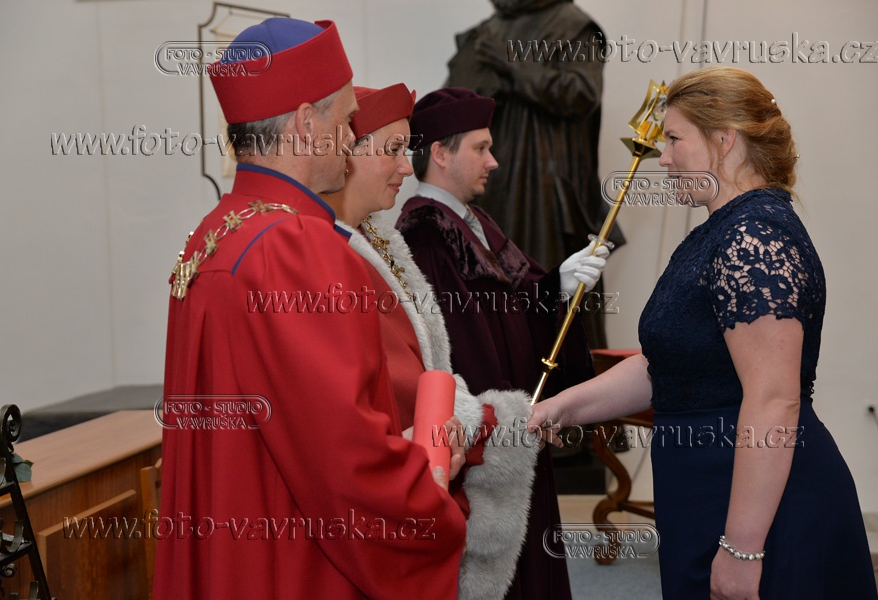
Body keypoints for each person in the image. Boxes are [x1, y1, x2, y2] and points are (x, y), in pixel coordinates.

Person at [528, 67, 877, 599]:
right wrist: (563, 407)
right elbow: (665, 365)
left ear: (724, 140)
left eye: (674, 138)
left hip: (760, 509)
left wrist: (742, 549)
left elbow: (775, 399)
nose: (663, 157)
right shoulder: (722, 231)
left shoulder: (754, 238)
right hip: (711, 490)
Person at [154, 19, 467, 600]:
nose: (350, 139)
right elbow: (346, 459)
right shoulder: (296, 246)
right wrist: (429, 506)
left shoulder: (213, 234)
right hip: (296, 564)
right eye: (346, 120)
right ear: (305, 123)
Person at [322, 83, 539, 600]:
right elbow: (381, 390)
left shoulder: (379, 238)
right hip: (392, 488)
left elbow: (428, 360)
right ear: (349, 153)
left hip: (435, 462)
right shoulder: (333, 253)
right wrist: (480, 419)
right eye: (394, 150)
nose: (407, 166)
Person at [395, 87, 608, 600]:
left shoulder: (473, 222)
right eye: (481, 148)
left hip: (518, 430)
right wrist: (508, 423)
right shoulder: (427, 235)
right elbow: (459, 348)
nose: (493, 161)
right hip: (488, 449)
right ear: (440, 153)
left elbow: (515, 300)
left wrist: (556, 286)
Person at [446, 0, 615, 348]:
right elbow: (453, 105)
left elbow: (581, 94)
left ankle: (561, 369)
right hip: (490, 182)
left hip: (543, 184)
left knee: (549, 273)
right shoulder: (486, 31)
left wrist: (514, 67)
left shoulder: (573, 25)